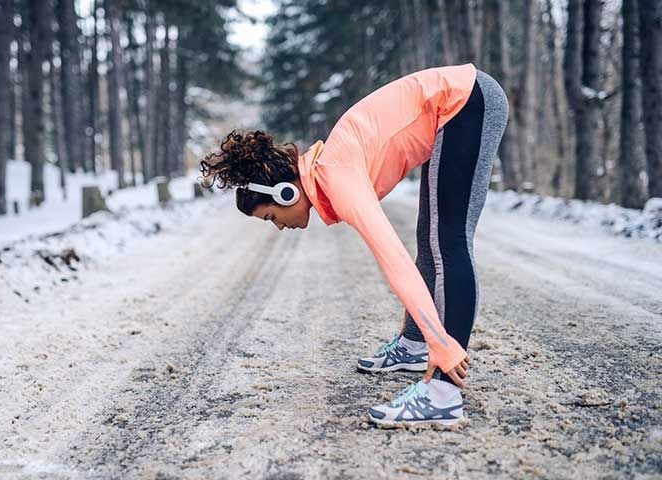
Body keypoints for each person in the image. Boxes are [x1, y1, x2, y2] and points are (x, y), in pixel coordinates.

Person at [198, 63, 509, 428]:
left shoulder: (337, 176)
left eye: (271, 218)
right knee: (432, 240)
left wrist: (440, 341)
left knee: (447, 241)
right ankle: (413, 347)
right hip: (460, 103)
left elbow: (394, 262)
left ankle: (443, 393)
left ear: (285, 192)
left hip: (466, 101)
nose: (279, 227)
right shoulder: (329, 171)